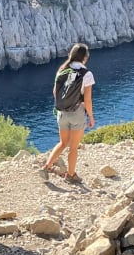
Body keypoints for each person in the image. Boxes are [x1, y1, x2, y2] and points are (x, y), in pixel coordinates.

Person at [40, 43, 95, 184]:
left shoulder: (62, 70)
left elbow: (55, 93)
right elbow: (87, 100)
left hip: (61, 113)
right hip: (77, 113)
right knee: (73, 147)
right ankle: (70, 175)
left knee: (63, 142)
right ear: (85, 57)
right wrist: (91, 117)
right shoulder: (86, 74)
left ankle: (46, 167)